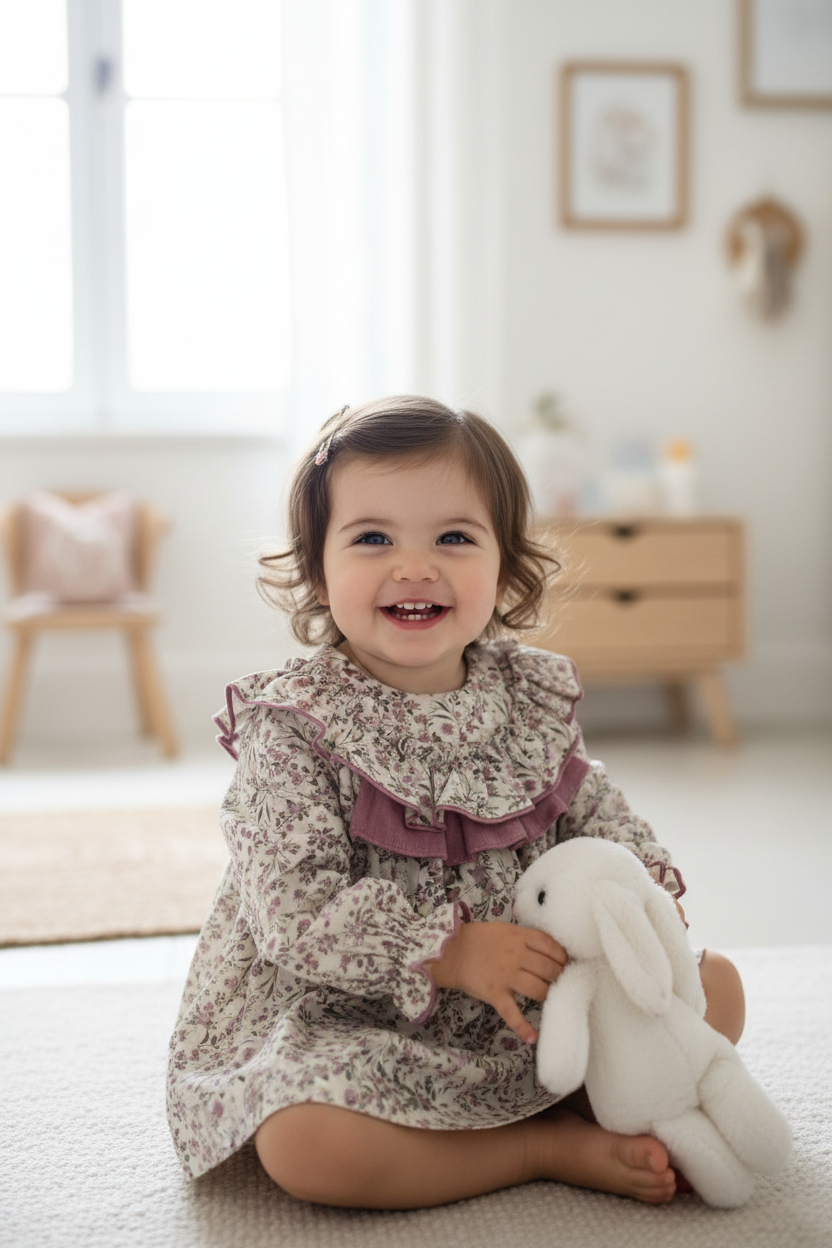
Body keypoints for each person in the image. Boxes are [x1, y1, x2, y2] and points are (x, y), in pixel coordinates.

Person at [166, 395, 745, 1207]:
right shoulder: (295, 728)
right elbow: (291, 909)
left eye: (453, 538)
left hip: (527, 1011)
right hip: (355, 1016)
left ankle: (582, 1090)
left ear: (503, 569)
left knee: (712, 990)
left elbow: (597, 812)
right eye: (373, 539)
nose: (414, 566)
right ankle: (538, 1147)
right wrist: (448, 953)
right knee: (308, 1146)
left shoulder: (526, 699)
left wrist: (645, 896)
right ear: (316, 567)